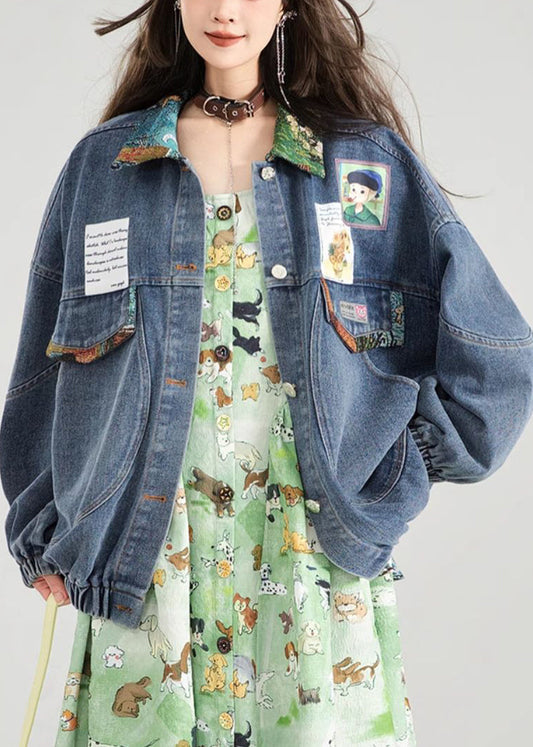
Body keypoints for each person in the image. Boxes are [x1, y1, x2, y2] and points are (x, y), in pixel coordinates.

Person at [2, 1, 532, 745]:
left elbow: (495, 355)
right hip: (146, 562)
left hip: (309, 564)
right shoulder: (107, 167)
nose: (225, 10)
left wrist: (393, 470)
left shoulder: (362, 168)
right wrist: (43, 531)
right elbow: (42, 370)